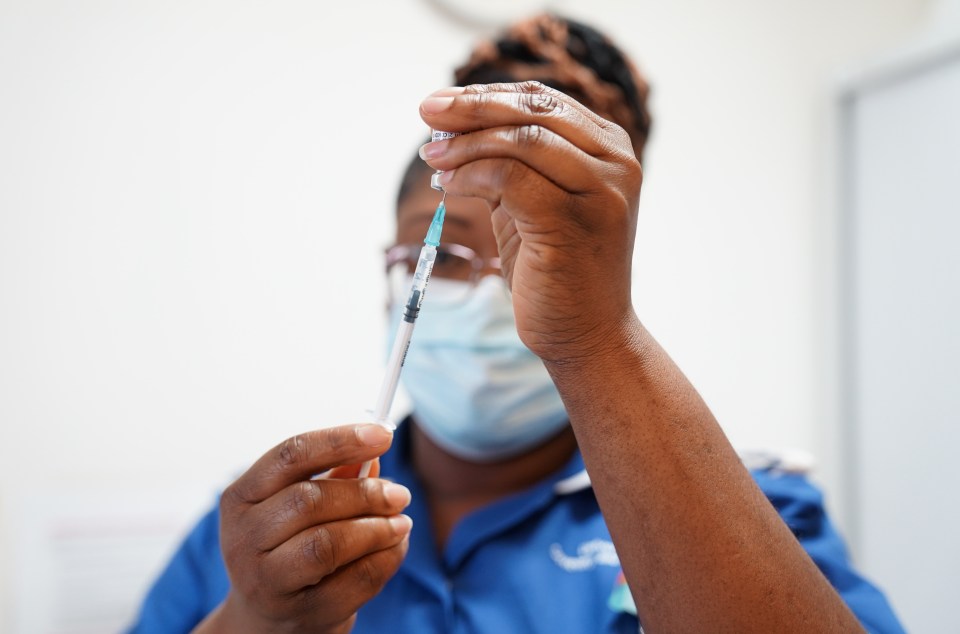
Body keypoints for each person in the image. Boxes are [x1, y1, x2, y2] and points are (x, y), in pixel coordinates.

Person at [129, 14, 903, 633]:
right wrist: (252, 621)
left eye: (533, 255)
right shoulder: (271, 533)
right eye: (446, 257)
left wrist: (595, 340)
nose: (490, 294)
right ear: (395, 269)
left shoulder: (751, 514)